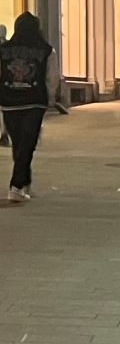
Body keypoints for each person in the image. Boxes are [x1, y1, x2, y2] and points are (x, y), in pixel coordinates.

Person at [0, 12, 59, 203]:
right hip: (34, 101)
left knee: (19, 144)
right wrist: (50, 97)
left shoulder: (3, 49)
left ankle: (24, 181)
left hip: (9, 102)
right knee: (27, 144)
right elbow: (52, 77)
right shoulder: (46, 50)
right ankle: (17, 185)